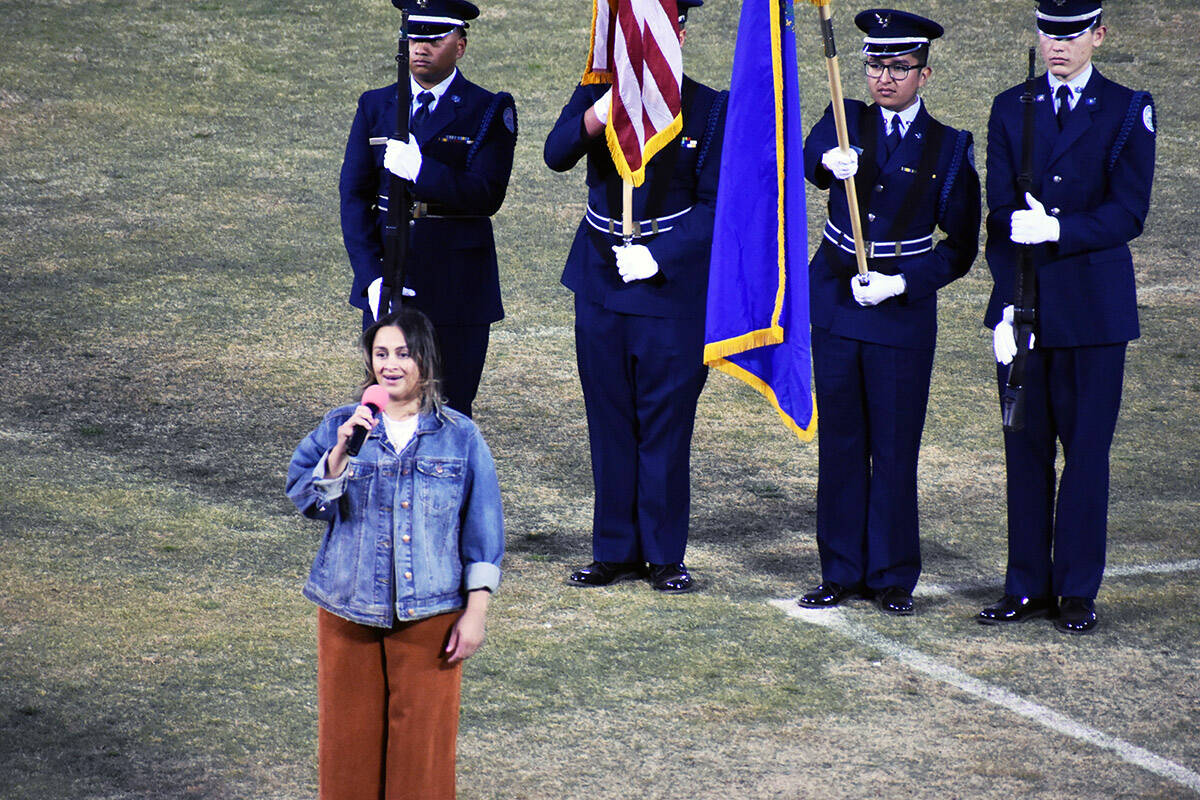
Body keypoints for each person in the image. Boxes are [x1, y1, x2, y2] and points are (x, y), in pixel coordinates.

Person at [977, 0, 1155, 634]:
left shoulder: (1129, 109)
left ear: (1098, 36)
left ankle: (1077, 589)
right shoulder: (1010, 106)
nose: (1058, 45)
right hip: (1024, 308)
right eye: (1048, 33)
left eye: (1072, 34)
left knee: (1084, 454)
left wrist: (1059, 227)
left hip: (1093, 315)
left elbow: (1129, 212)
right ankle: (1025, 585)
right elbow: (998, 216)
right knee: (1023, 454)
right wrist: (1003, 305)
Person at [795, 9, 980, 616]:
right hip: (838, 303)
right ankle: (841, 570)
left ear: (923, 74)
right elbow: (808, 158)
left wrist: (902, 283)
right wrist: (828, 163)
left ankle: (894, 574)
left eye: (898, 67)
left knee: (896, 447)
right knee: (843, 444)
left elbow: (961, 246)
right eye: (875, 65)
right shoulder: (843, 117)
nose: (883, 78)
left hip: (899, 314)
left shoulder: (950, 148)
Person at [543, 0, 726, 594]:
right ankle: (614, 549)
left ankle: (665, 554)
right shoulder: (598, 86)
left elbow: (719, 208)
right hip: (600, 283)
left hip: (669, 292)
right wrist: (600, 113)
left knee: (666, 426)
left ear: (678, 30)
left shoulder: (710, 106)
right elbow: (555, 154)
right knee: (610, 420)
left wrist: (660, 255)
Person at [285, 307, 504, 800]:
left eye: (403, 354)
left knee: (423, 759)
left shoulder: (461, 436)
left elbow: (483, 532)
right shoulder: (342, 425)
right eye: (381, 354)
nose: (391, 364)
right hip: (347, 607)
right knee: (348, 752)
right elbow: (306, 498)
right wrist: (341, 451)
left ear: (425, 360)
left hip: (431, 613)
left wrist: (477, 615)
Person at [339, 0, 517, 417]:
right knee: (385, 406)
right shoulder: (376, 106)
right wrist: (370, 278)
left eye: (434, 39)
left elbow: (487, 195)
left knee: (450, 409)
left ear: (460, 45)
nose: (421, 47)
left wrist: (422, 170)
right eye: (414, 37)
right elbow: (354, 197)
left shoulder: (487, 110)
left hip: (457, 286)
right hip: (390, 279)